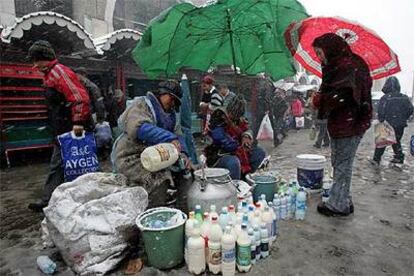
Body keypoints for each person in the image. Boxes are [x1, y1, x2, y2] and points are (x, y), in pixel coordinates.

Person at [27, 40, 92, 212]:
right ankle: (60, 199)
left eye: (36, 61)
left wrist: (77, 123)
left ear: (44, 58)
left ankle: (52, 200)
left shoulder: (59, 72)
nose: (35, 66)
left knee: (71, 164)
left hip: (71, 129)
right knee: (67, 165)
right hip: (62, 128)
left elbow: (80, 98)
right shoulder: (50, 75)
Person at [312, 33, 373, 216]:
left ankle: (338, 205)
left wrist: (319, 100)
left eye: (320, 53)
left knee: (342, 163)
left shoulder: (347, 66)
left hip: (350, 122)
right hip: (342, 123)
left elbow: (345, 96)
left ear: (330, 49)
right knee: (339, 161)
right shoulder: (340, 65)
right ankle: (343, 198)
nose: (319, 58)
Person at [111, 80, 190, 208]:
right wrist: (169, 138)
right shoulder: (142, 105)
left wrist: (185, 154)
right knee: (158, 181)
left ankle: (181, 209)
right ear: (163, 94)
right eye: (172, 99)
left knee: (184, 174)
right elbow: (140, 128)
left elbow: (179, 135)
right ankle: (153, 214)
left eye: (175, 102)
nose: (173, 104)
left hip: (156, 156)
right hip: (132, 156)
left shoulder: (171, 116)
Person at [205, 96, 266, 180]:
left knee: (259, 153)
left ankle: (243, 177)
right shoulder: (218, 116)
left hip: (238, 152)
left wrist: (246, 136)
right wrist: (239, 145)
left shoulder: (239, 119)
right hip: (219, 155)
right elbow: (220, 139)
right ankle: (235, 186)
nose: (234, 118)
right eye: (233, 115)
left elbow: (248, 129)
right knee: (233, 162)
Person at [371, 77, 413, 165]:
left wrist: (382, 119)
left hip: (387, 123)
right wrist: (403, 117)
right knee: (396, 140)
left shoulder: (385, 98)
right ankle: (399, 156)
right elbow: (410, 109)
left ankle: (376, 159)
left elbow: (381, 111)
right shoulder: (404, 97)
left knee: (382, 142)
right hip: (400, 124)